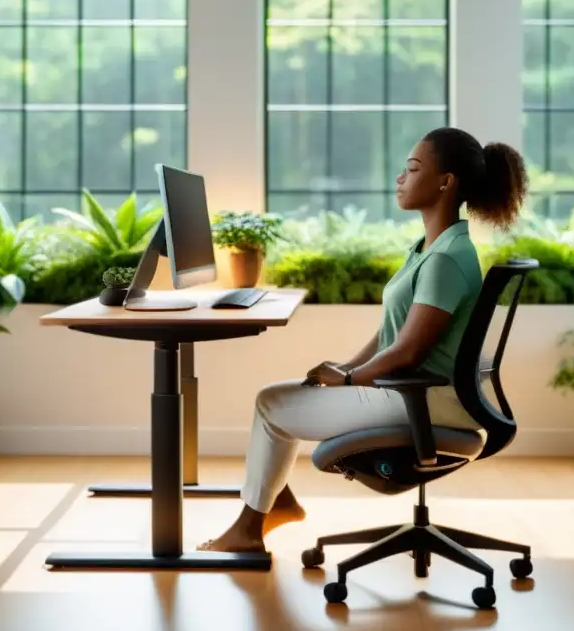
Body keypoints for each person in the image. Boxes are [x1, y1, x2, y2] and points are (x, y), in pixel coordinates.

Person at [198, 127, 529, 554]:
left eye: (412, 169)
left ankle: (250, 526)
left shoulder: (446, 259)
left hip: (419, 400)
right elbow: (391, 334)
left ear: (446, 182)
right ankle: (272, 502)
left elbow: (409, 351)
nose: (400, 178)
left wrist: (353, 379)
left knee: (270, 404)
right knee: (284, 400)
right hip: (414, 393)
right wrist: (346, 369)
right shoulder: (432, 248)